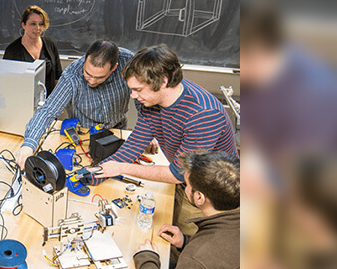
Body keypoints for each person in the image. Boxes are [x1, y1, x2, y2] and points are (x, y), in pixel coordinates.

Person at [85, 45, 238, 235]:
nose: (133, 96)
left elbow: (177, 173)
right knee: (169, 233)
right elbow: (133, 146)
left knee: (189, 246)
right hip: (184, 184)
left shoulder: (203, 114)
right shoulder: (151, 101)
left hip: (209, 198)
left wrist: (119, 168)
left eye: (138, 89)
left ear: (163, 81)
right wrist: (94, 173)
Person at [133, 150, 239, 269]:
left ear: (199, 197)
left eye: (187, 185)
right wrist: (185, 242)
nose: (184, 187)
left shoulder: (203, 259)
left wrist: (146, 260)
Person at [16, 40, 134, 169]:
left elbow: (144, 98)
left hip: (117, 130)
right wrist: (29, 144)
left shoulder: (129, 62)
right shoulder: (72, 74)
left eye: (100, 77)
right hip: (85, 134)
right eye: (88, 74)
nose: (92, 81)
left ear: (114, 68)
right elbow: (48, 110)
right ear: (84, 61)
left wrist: (149, 132)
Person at [3, 5, 62, 96]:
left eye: (41, 24)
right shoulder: (12, 51)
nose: (38, 28)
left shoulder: (50, 45)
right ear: (24, 25)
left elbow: (58, 77)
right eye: (33, 24)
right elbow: (7, 82)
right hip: (22, 102)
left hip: (48, 103)